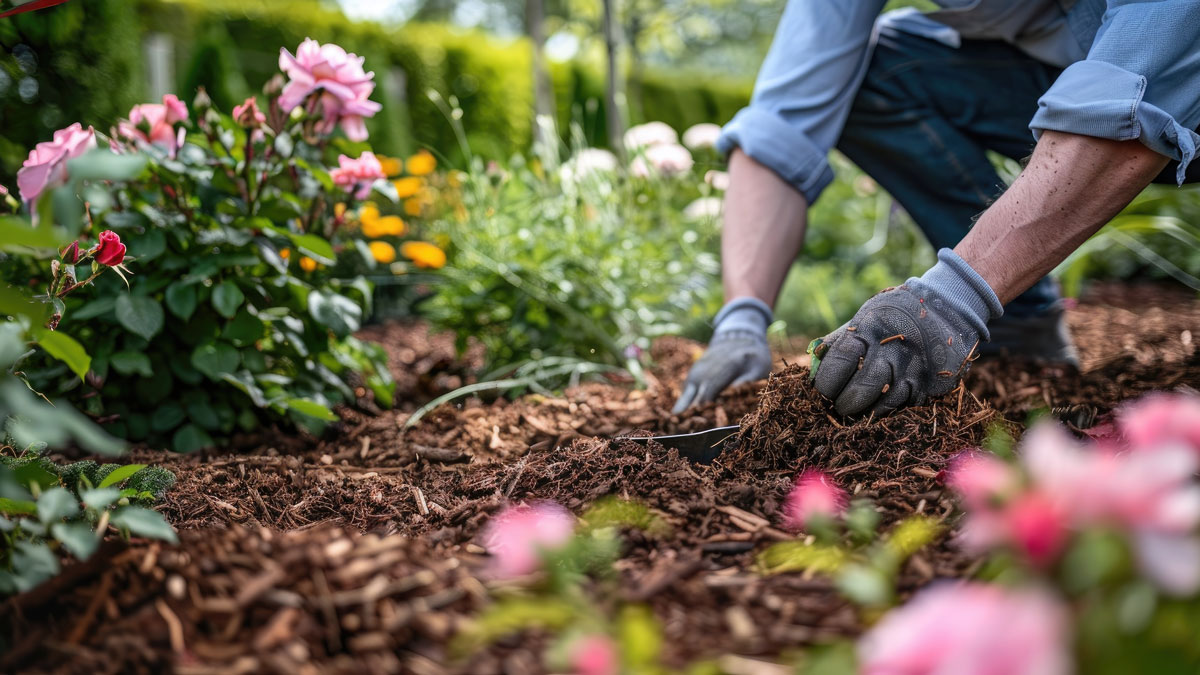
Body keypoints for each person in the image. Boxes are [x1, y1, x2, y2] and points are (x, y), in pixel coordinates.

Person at [673, 0, 1199, 417]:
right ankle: (1019, 324)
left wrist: (953, 297)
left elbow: (1151, 71)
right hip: (1065, 73)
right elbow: (781, 123)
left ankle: (981, 299)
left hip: (1177, 74)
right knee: (874, 69)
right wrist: (740, 321)